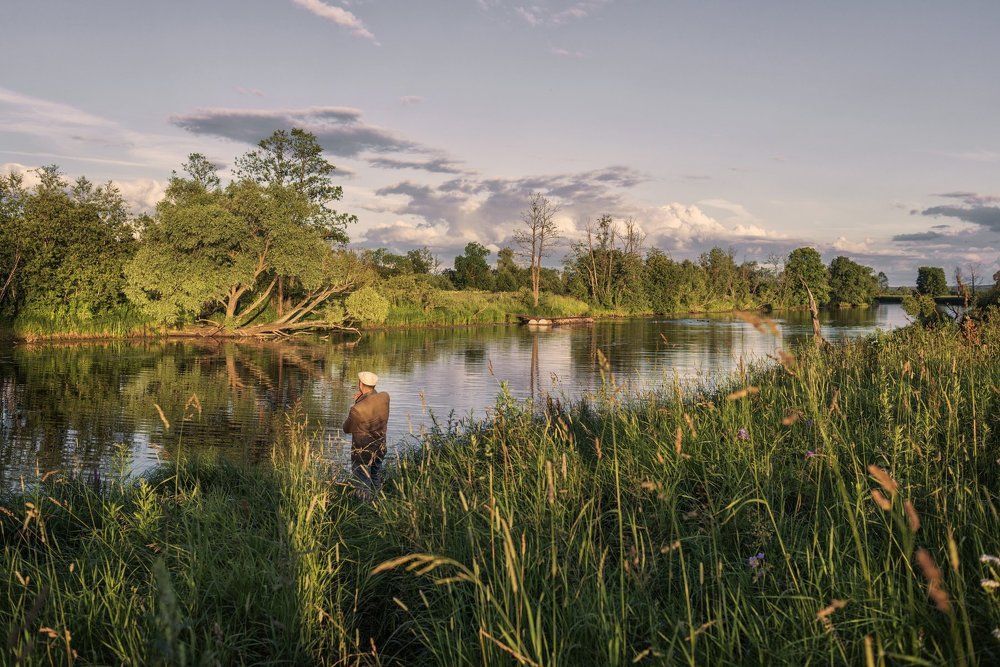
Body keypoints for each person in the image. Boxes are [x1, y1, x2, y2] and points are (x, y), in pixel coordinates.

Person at [342, 371, 390, 498]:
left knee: (362, 482)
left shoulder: (357, 409)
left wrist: (358, 402)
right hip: (380, 448)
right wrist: (363, 397)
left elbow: (346, 428)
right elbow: (373, 399)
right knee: (375, 476)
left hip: (362, 452)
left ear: (360, 384)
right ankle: (377, 504)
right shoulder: (385, 397)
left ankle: (364, 510)